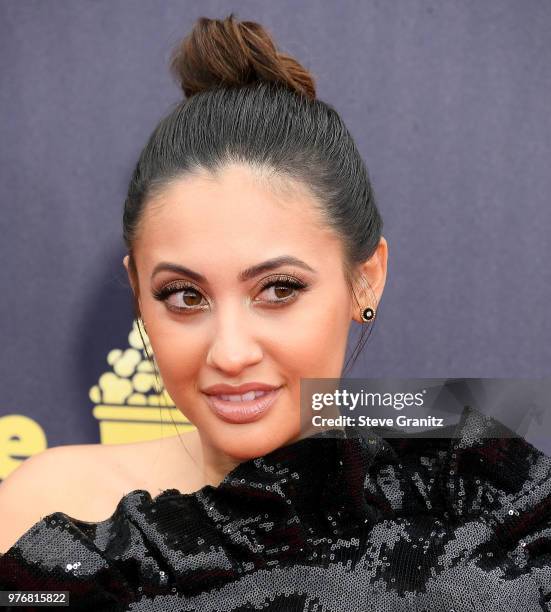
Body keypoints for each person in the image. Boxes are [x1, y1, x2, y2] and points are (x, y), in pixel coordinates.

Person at [1, 13, 551, 612]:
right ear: (138, 291)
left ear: (366, 279)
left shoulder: (470, 483)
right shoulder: (55, 510)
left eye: (279, 289)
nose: (231, 352)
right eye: (184, 296)